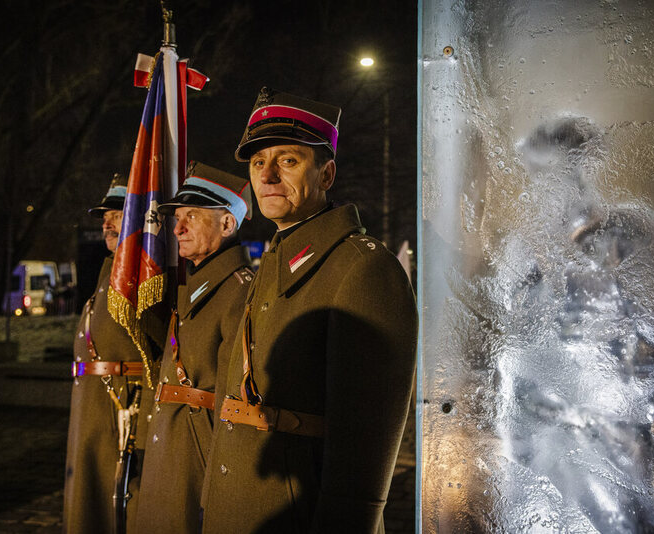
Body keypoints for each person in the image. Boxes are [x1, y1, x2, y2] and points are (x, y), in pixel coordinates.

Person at [200, 88, 418, 533]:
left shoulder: (363, 267)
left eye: (289, 160)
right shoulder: (276, 260)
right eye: (258, 163)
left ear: (327, 173)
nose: (268, 176)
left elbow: (365, 448)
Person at [135, 162, 254, 533]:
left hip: (197, 459)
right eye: (177, 217)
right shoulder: (192, 289)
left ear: (227, 224)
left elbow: (237, 400)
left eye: (192, 216)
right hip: (169, 450)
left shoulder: (240, 291)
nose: (177, 228)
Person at [64, 173, 161, 533]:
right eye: (104, 215)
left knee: (118, 507)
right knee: (90, 501)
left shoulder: (143, 275)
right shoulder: (112, 269)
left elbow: (159, 350)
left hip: (121, 408)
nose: (106, 222)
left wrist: (148, 415)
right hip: (94, 407)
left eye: (117, 214)